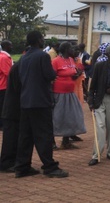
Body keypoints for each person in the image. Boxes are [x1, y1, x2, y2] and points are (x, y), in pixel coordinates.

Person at [15, 30, 68, 178]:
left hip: (25, 101)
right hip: (40, 101)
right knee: (44, 135)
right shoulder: (43, 56)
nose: (44, 40)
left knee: (25, 136)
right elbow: (51, 75)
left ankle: (22, 167)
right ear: (38, 40)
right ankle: (50, 167)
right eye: (42, 38)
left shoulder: (24, 57)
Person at [51, 42, 86, 149]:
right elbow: (51, 78)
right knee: (57, 117)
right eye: (71, 48)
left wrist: (78, 74)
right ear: (66, 49)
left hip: (70, 93)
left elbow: (72, 75)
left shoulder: (71, 60)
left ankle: (66, 141)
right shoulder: (55, 61)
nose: (74, 50)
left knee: (69, 116)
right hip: (59, 93)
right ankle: (51, 143)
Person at [1, 61, 20, 172]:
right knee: (11, 137)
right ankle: (6, 163)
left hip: (13, 108)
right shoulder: (18, 68)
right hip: (12, 109)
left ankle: (10, 161)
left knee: (14, 136)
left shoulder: (18, 66)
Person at [0, 40, 12, 130]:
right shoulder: (4, 58)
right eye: (10, 46)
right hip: (3, 85)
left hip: (2, 85)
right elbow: (8, 73)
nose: (12, 47)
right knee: (3, 106)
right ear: (6, 46)